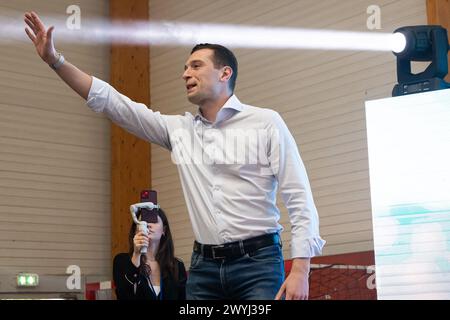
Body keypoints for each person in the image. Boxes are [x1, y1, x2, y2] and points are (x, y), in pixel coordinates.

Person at [24, 11, 325, 300]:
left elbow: (298, 196)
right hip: (204, 267)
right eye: (184, 68)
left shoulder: (266, 122)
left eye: (195, 66)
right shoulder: (179, 130)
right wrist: (56, 61)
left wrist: (301, 268)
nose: (185, 74)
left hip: (258, 264)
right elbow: (113, 103)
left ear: (225, 73)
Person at [113, 207, 186, 300]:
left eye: (154, 221)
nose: (147, 224)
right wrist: (136, 254)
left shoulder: (177, 266)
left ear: (164, 230)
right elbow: (124, 295)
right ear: (136, 229)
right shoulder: (122, 261)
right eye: (142, 221)